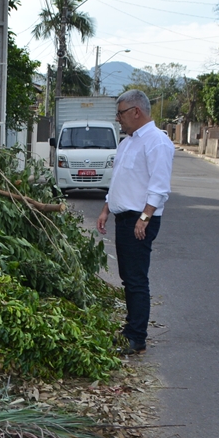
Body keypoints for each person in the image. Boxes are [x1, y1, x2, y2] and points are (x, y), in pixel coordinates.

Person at [95, 89, 174, 355]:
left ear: (136, 111)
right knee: (128, 277)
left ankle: (137, 336)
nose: (118, 118)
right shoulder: (127, 142)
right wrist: (106, 209)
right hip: (125, 218)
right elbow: (119, 180)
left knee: (136, 279)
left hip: (140, 220)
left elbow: (159, 187)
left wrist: (145, 217)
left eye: (120, 113)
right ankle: (130, 328)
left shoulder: (157, 142)